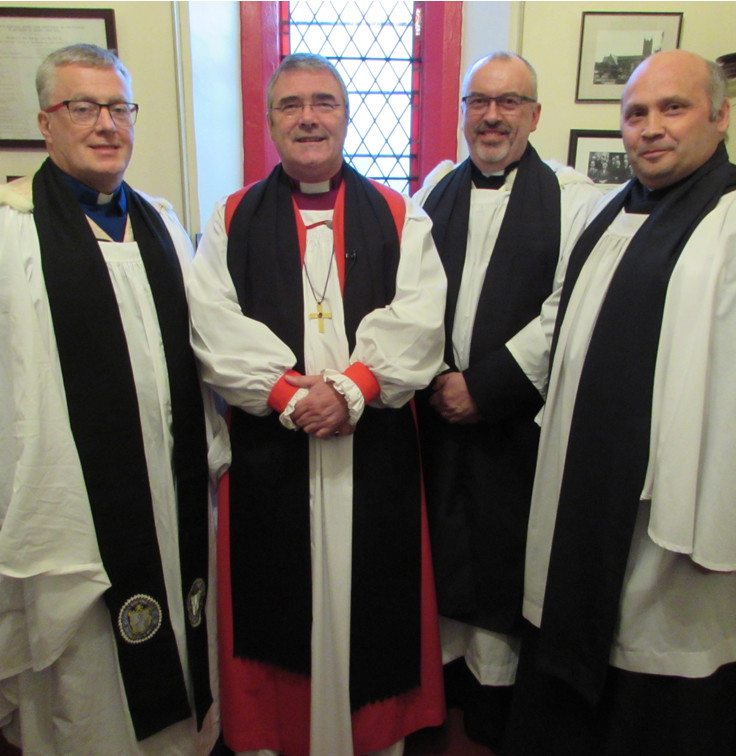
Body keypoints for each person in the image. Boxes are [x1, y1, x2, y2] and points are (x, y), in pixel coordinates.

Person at [185, 53, 446, 756]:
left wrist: (354, 388)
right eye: (291, 104)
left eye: (324, 102)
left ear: (346, 114)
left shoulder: (396, 213)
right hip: (276, 449)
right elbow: (211, 322)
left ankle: (373, 738)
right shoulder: (234, 215)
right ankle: (279, 737)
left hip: (373, 454)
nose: (308, 117)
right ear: (270, 120)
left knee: (370, 601)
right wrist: (284, 396)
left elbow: (421, 318)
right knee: (279, 601)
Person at [507, 49, 736, 755]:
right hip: (586, 491)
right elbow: (564, 327)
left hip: (671, 514)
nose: (649, 129)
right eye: (636, 114)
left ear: (720, 114)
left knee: (661, 673)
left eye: (671, 109)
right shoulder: (617, 212)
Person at [0, 44, 222, 755]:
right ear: (46, 121)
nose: (106, 125)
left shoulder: (160, 224)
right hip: (75, 506)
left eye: (119, 108)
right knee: (89, 680)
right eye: (83, 107)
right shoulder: (13, 234)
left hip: (172, 485)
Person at [410, 51, 604, 748]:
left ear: (535, 114)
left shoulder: (574, 198)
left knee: (498, 566)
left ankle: (491, 718)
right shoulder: (434, 189)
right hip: (431, 417)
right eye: (479, 102)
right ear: (463, 111)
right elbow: (412, 290)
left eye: (510, 102)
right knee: (435, 558)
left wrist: (485, 386)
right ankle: (435, 707)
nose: (492, 116)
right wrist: (429, 374)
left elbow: (568, 308)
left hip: (512, 427)